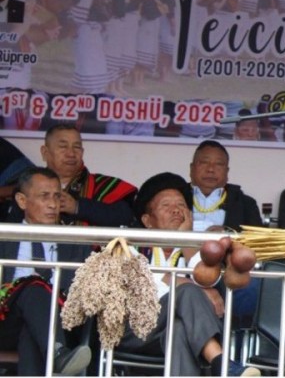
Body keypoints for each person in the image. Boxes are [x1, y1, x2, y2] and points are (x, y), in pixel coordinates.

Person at [119, 172, 261, 377]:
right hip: (136, 331)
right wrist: (186, 285)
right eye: (166, 206)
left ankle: (221, 364)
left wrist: (186, 239)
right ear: (147, 220)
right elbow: (142, 285)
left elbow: (208, 278)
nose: (176, 210)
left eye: (181, 205)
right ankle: (223, 365)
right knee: (187, 291)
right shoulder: (131, 247)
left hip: (174, 334)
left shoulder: (196, 251)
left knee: (178, 329)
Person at [0, 167, 93, 376]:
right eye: (44, 196)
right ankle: (58, 353)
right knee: (33, 286)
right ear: (22, 201)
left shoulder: (76, 242)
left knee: (34, 329)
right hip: (6, 321)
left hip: (56, 321)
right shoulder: (3, 236)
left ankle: (56, 350)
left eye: (57, 196)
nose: (53, 204)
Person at [14, 124, 137, 227]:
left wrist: (77, 207)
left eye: (77, 147)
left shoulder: (103, 185)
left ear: (82, 152)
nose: (71, 153)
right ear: (45, 152)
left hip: (91, 255)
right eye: (63, 147)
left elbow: (126, 217)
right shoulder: (27, 186)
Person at [188, 140, 263, 233]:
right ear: (191, 169)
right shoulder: (175, 197)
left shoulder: (246, 204)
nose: (211, 169)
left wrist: (228, 232)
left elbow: (258, 240)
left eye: (219, 164)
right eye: (204, 162)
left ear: (227, 172)